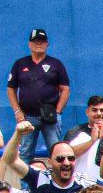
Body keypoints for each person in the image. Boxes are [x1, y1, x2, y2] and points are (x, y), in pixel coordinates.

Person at [7, 28, 71, 156]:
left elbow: (65, 89)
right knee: (25, 152)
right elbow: (11, 88)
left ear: (47, 44)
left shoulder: (56, 64)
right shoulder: (20, 64)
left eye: (42, 41)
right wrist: (17, 111)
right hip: (27, 116)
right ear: (29, 44)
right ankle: (25, 177)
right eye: (35, 41)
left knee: (56, 152)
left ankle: (55, 176)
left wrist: (58, 111)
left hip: (50, 116)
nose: (39, 44)